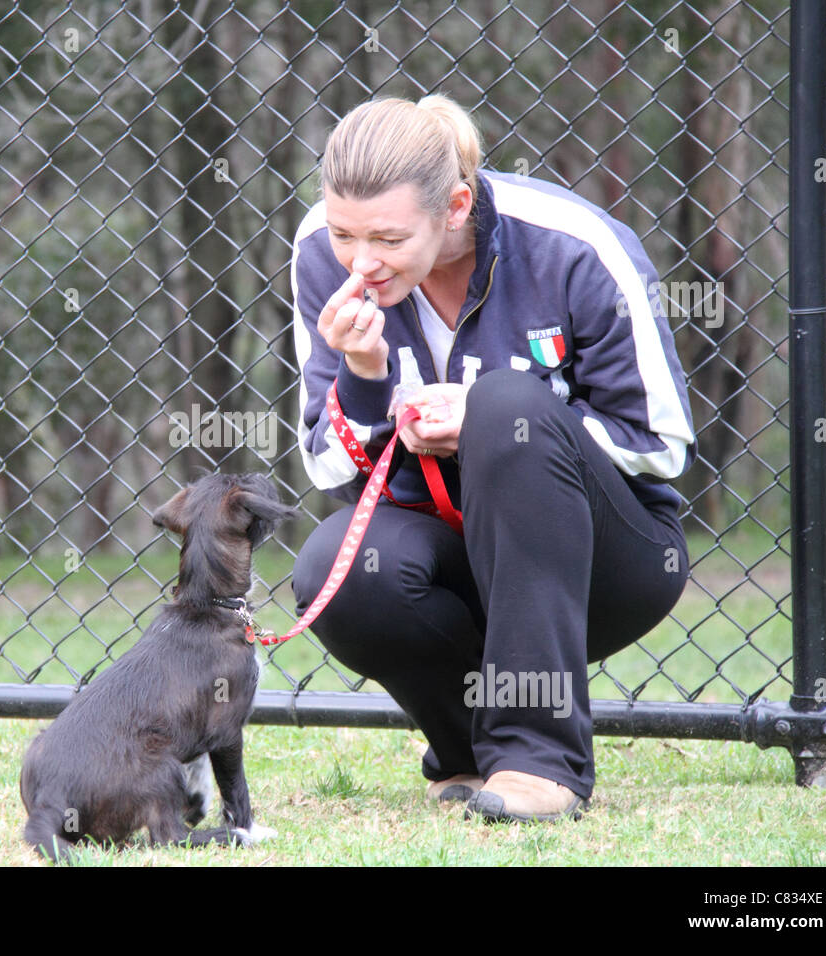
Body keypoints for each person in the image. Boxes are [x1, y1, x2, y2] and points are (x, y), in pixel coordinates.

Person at [289, 94, 696, 822]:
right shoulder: (321, 249)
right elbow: (328, 465)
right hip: (451, 554)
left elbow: (657, 446)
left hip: (604, 563)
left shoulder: (573, 245)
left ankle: (541, 761)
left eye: (386, 238)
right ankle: (471, 756)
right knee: (335, 571)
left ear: (454, 205)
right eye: (347, 234)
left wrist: (493, 424)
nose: (361, 262)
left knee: (507, 407)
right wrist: (365, 372)